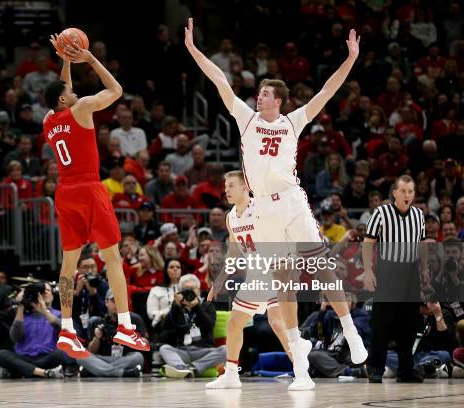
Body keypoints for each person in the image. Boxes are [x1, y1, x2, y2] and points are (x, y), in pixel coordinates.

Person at [184, 18, 366, 390]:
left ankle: (350, 331)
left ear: (278, 101)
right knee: (284, 281)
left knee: (319, 261)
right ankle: (299, 360)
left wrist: (350, 59)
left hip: (292, 200)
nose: (258, 97)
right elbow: (220, 79)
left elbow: (328, 91)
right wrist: (193, 50)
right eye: (259, 93)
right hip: (264, 208)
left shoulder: (294, 121)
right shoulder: (246, 119)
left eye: (265, 94)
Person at [42, 34, 149, 359]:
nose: (75, 92)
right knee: (113, 257)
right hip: (89, 188)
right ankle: (126, 326)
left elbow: (60, 91)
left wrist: (65, 61)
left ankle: (67, 329)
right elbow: (116, 90)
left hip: (64, 191)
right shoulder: (83, 108)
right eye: (71, 93)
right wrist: (89, 59)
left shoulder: (49, 121)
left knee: (68, 263)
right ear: (65, 100)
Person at [205, 171, 289, 388]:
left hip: (275, 270)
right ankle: (231, 374)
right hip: (255, 275)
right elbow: (233, 252)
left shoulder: (261, 209)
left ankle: (302, 370)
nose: (226, 190)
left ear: (246, 188)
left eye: (231, 185)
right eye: (225, 186)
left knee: (277, 323)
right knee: (234, 324)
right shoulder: (231, 216)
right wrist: (219, 281)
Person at [363, 175, 429, 383]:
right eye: (403, 191)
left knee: (408, 325)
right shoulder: (381, 213)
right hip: (388, 270)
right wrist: (368, 270)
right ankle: (375, 368)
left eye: (411, 191)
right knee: (382, 323)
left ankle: (405, 370)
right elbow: (368, 242)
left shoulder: (419, 215)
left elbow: (422, 243)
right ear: (394, 192)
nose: (407, 195)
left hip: (410, 273)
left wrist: (425, 268)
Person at [0, 281, 73, 379]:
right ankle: (44, 373)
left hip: (48, 357)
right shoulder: (22, 315)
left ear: (52, 296)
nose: (44, 293)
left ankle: (16, 371)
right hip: (25, 357)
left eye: (48, 290)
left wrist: (44, 311)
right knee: (2, 354)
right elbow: (16, 338)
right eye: (41, 291)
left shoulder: (59, 314)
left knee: (62, 353)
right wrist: (21, 305)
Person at [158, 274, 226, 378]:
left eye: (193, 288)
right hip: (183, 351)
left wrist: (196, 307)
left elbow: (208, 327)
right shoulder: (177, 308)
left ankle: (193, 369)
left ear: (198, 290)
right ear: (180, 292)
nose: (190, 292)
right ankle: (181, 368)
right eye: (186, 289)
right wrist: (176, 306)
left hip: (205, 352)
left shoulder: (207, 305)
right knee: (164, 348)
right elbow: (164, 330)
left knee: (226, 349)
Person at [78, 289, 146, 377]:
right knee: (80, 356)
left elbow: (144, 346)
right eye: (114, 300)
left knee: (138, 357)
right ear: (106, 302)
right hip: (104, 358)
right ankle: (125, 373)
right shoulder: (98, 321)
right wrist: (97, 338)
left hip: (125, 358)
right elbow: (91, 351)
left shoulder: (135, 319)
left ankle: (96, 371)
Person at [147, 258, 182, 329]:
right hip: (163, 326)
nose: (175, 269)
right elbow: (151, 313)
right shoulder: (156, 290)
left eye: (178, 267)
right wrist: (166, 313)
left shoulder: (186, 288)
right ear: (166, 270)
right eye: (171, 267)